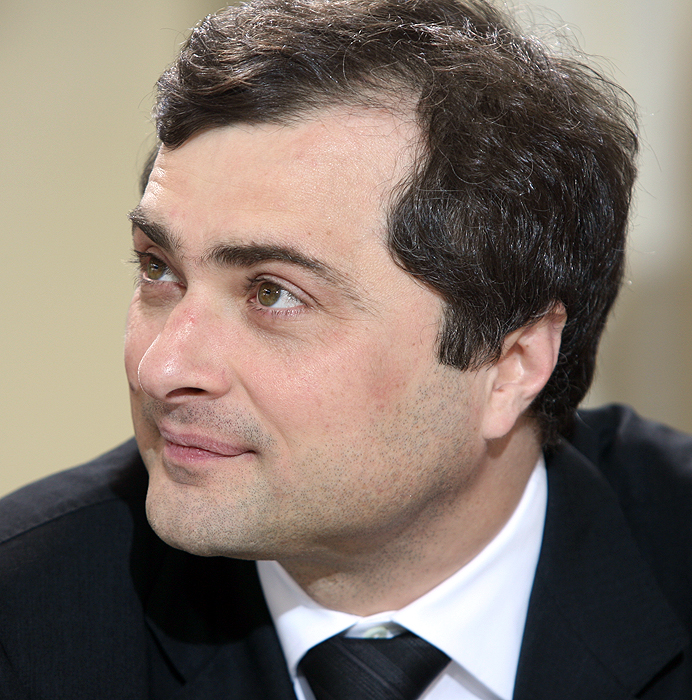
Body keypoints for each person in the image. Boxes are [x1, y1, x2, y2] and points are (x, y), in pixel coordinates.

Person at [1, 0, 691, 698]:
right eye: (159, 269)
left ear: (510, 366)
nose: (161, 369)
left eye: (273, 293)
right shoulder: (25, 617)